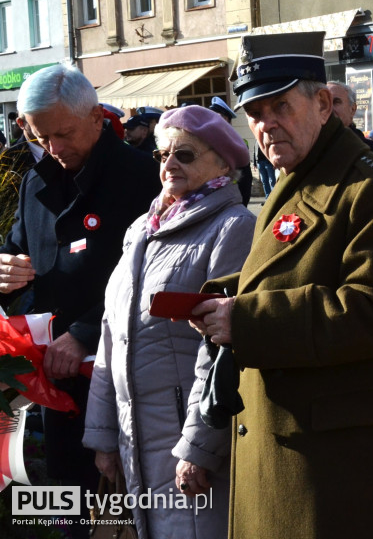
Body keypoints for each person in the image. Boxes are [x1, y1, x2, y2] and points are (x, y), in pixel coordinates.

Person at [188, 31, 373, 539]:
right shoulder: (297, 175)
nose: (267, 124)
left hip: (352, 463)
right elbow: (292, 267)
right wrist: (229, 293)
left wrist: (246, 319)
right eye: (255, 113)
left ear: (320, 103)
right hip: (311, 447)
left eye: (279, 106)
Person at [0, 64, 161, 537]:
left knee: (123, 500)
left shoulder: (140, 178)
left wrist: (86, 332)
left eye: (64, 134)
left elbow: (154, 277)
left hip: (121, 371)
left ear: (95, 117)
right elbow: (17, 247)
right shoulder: (37, 180)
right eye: (42, 136)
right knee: (68, 495)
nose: (54, 148)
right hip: (54, 374)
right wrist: (3, 269)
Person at [82, 106, 254, 539]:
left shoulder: (233, 227)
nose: (170, 164)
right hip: (133, 438)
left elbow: (223, 352)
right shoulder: (142, 229)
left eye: (186, 155)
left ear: (222, 163)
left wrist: (199, 447)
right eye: (163, 155)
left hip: (187, 445)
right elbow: (111, 336)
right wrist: (103, 436)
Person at [326, 80, 373, 160]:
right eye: (323, 102)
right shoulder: (309, 150)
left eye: (336, 102)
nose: (328, 108)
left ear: (352, 109)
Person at [208, 95, 254, 205]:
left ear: (225, 119)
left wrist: (242, 204)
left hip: (231, 198)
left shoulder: (235, 142)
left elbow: (245, 178)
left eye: (216, 117)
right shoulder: (208, 140)